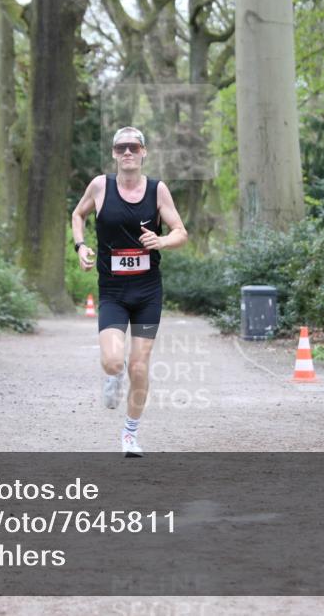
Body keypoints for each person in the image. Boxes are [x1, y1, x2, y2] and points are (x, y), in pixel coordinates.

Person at [71, 126, 188, 457]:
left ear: (143, 152)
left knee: (139, 365)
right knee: (112, 361)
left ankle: (130, 433)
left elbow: (181, 232)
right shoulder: (100, 186)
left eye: (133, 147)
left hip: (147, 292)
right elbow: (78, 214)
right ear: (113, 153)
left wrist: (161, 240)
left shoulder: (157, 190)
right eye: (121, 147)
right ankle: (113, 375)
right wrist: (80, 246)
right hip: (112, 291)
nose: (127, 152)